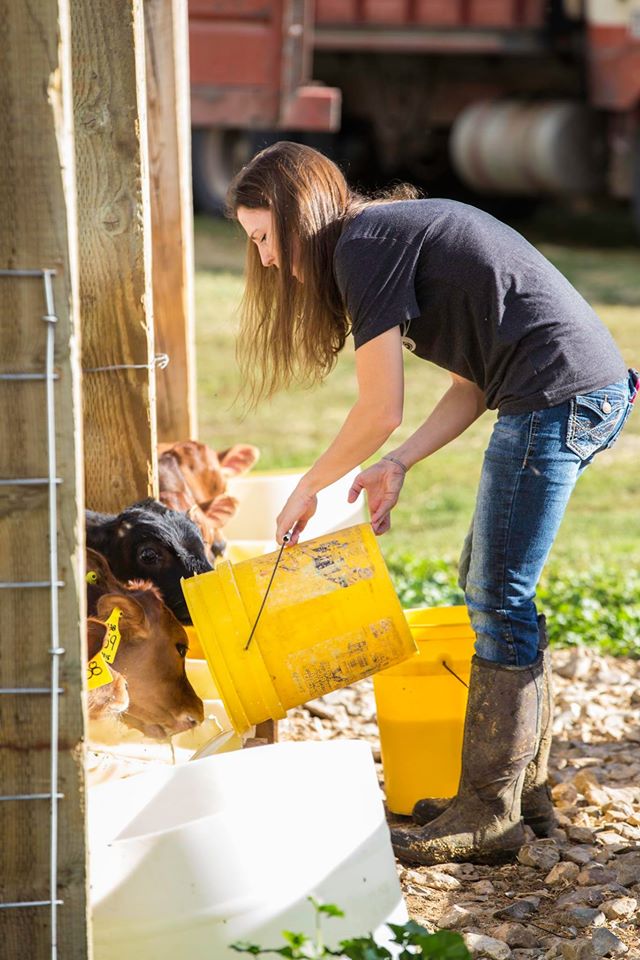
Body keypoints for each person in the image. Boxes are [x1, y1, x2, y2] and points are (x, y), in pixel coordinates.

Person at [227, 140, 638, 866]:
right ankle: (522, 793)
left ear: (297, 216)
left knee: (497, 590)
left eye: (262, 237)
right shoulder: (385, 239)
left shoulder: (363, 244)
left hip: (559, 394)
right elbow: (472, 384)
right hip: (557, 391)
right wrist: (399, 463)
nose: (263, 260)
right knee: (487, 577)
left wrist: (308, 486)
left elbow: (378, 405)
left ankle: (490, 809)